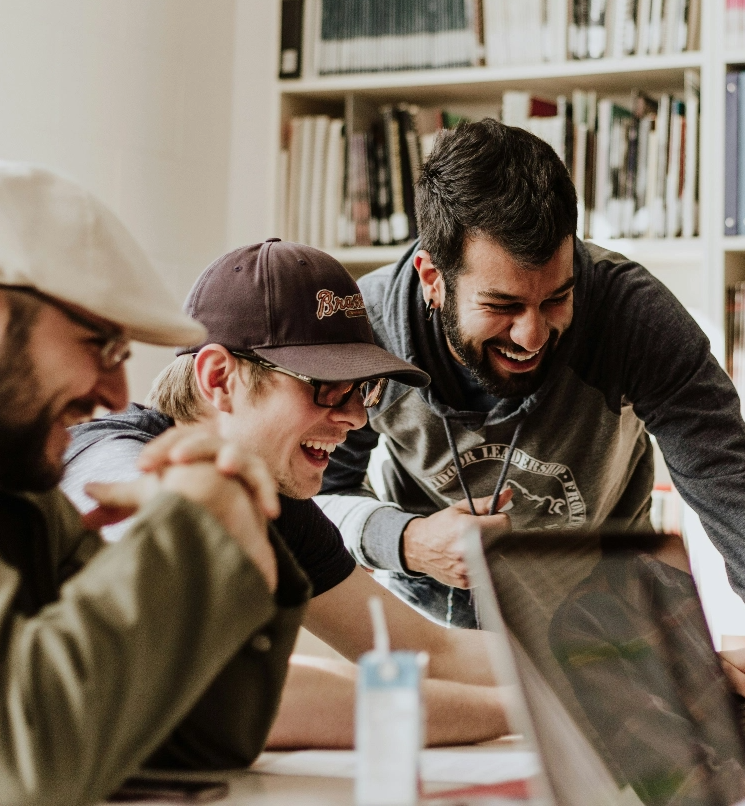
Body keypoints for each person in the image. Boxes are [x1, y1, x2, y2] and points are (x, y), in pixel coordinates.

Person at [318, 118, 745, 690]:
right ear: (433, 277)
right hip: (436, 641)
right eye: (502, 306)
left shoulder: (632, 314)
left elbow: (734, 486)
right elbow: (319, 498)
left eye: (556, 298)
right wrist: (407, 541)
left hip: (607, 628)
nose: (532, 335)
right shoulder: (365, 330)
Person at [62, 239, 511, 748]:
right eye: (326, 386)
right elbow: (232, 692)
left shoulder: (275, 501)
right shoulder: (113, 464)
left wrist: (588, 673)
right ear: (218, 379)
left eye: (362, 390)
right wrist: (526, 713)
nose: (357, 418)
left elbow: (426, 651)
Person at [0, 159, 307, 806]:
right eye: (99, 344)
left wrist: (232, 524)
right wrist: (195, 526)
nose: (117, 393)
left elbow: (194, 738)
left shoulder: (18, 494)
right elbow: (17, 772)